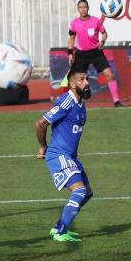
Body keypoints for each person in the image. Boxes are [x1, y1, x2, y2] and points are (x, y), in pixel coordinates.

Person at [36, 70, 94, 242]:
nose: (86, 83)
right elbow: (40, 124)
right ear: (72, 84)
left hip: (71, 157)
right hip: (59, 155)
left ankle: (58, 227)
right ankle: (61, 231)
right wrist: (43, 146)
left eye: (87, 79)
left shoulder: (81, 102)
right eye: (81, 80)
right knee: (80, 190)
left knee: (88, 193)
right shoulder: (66, 102)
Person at [68, 0, 122, 107]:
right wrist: (70, 53)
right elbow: (72, 38)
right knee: (77, 80)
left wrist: (102, 41)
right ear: (78, 9)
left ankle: (116, 101)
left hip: (96, 52)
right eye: (80, 7)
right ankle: (76, 102)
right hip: (81, 54)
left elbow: (104, 33)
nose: (83, 9)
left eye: (84, 7)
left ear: (88, 8)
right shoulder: (74, 23)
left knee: (109, 75)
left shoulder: (96, 21)